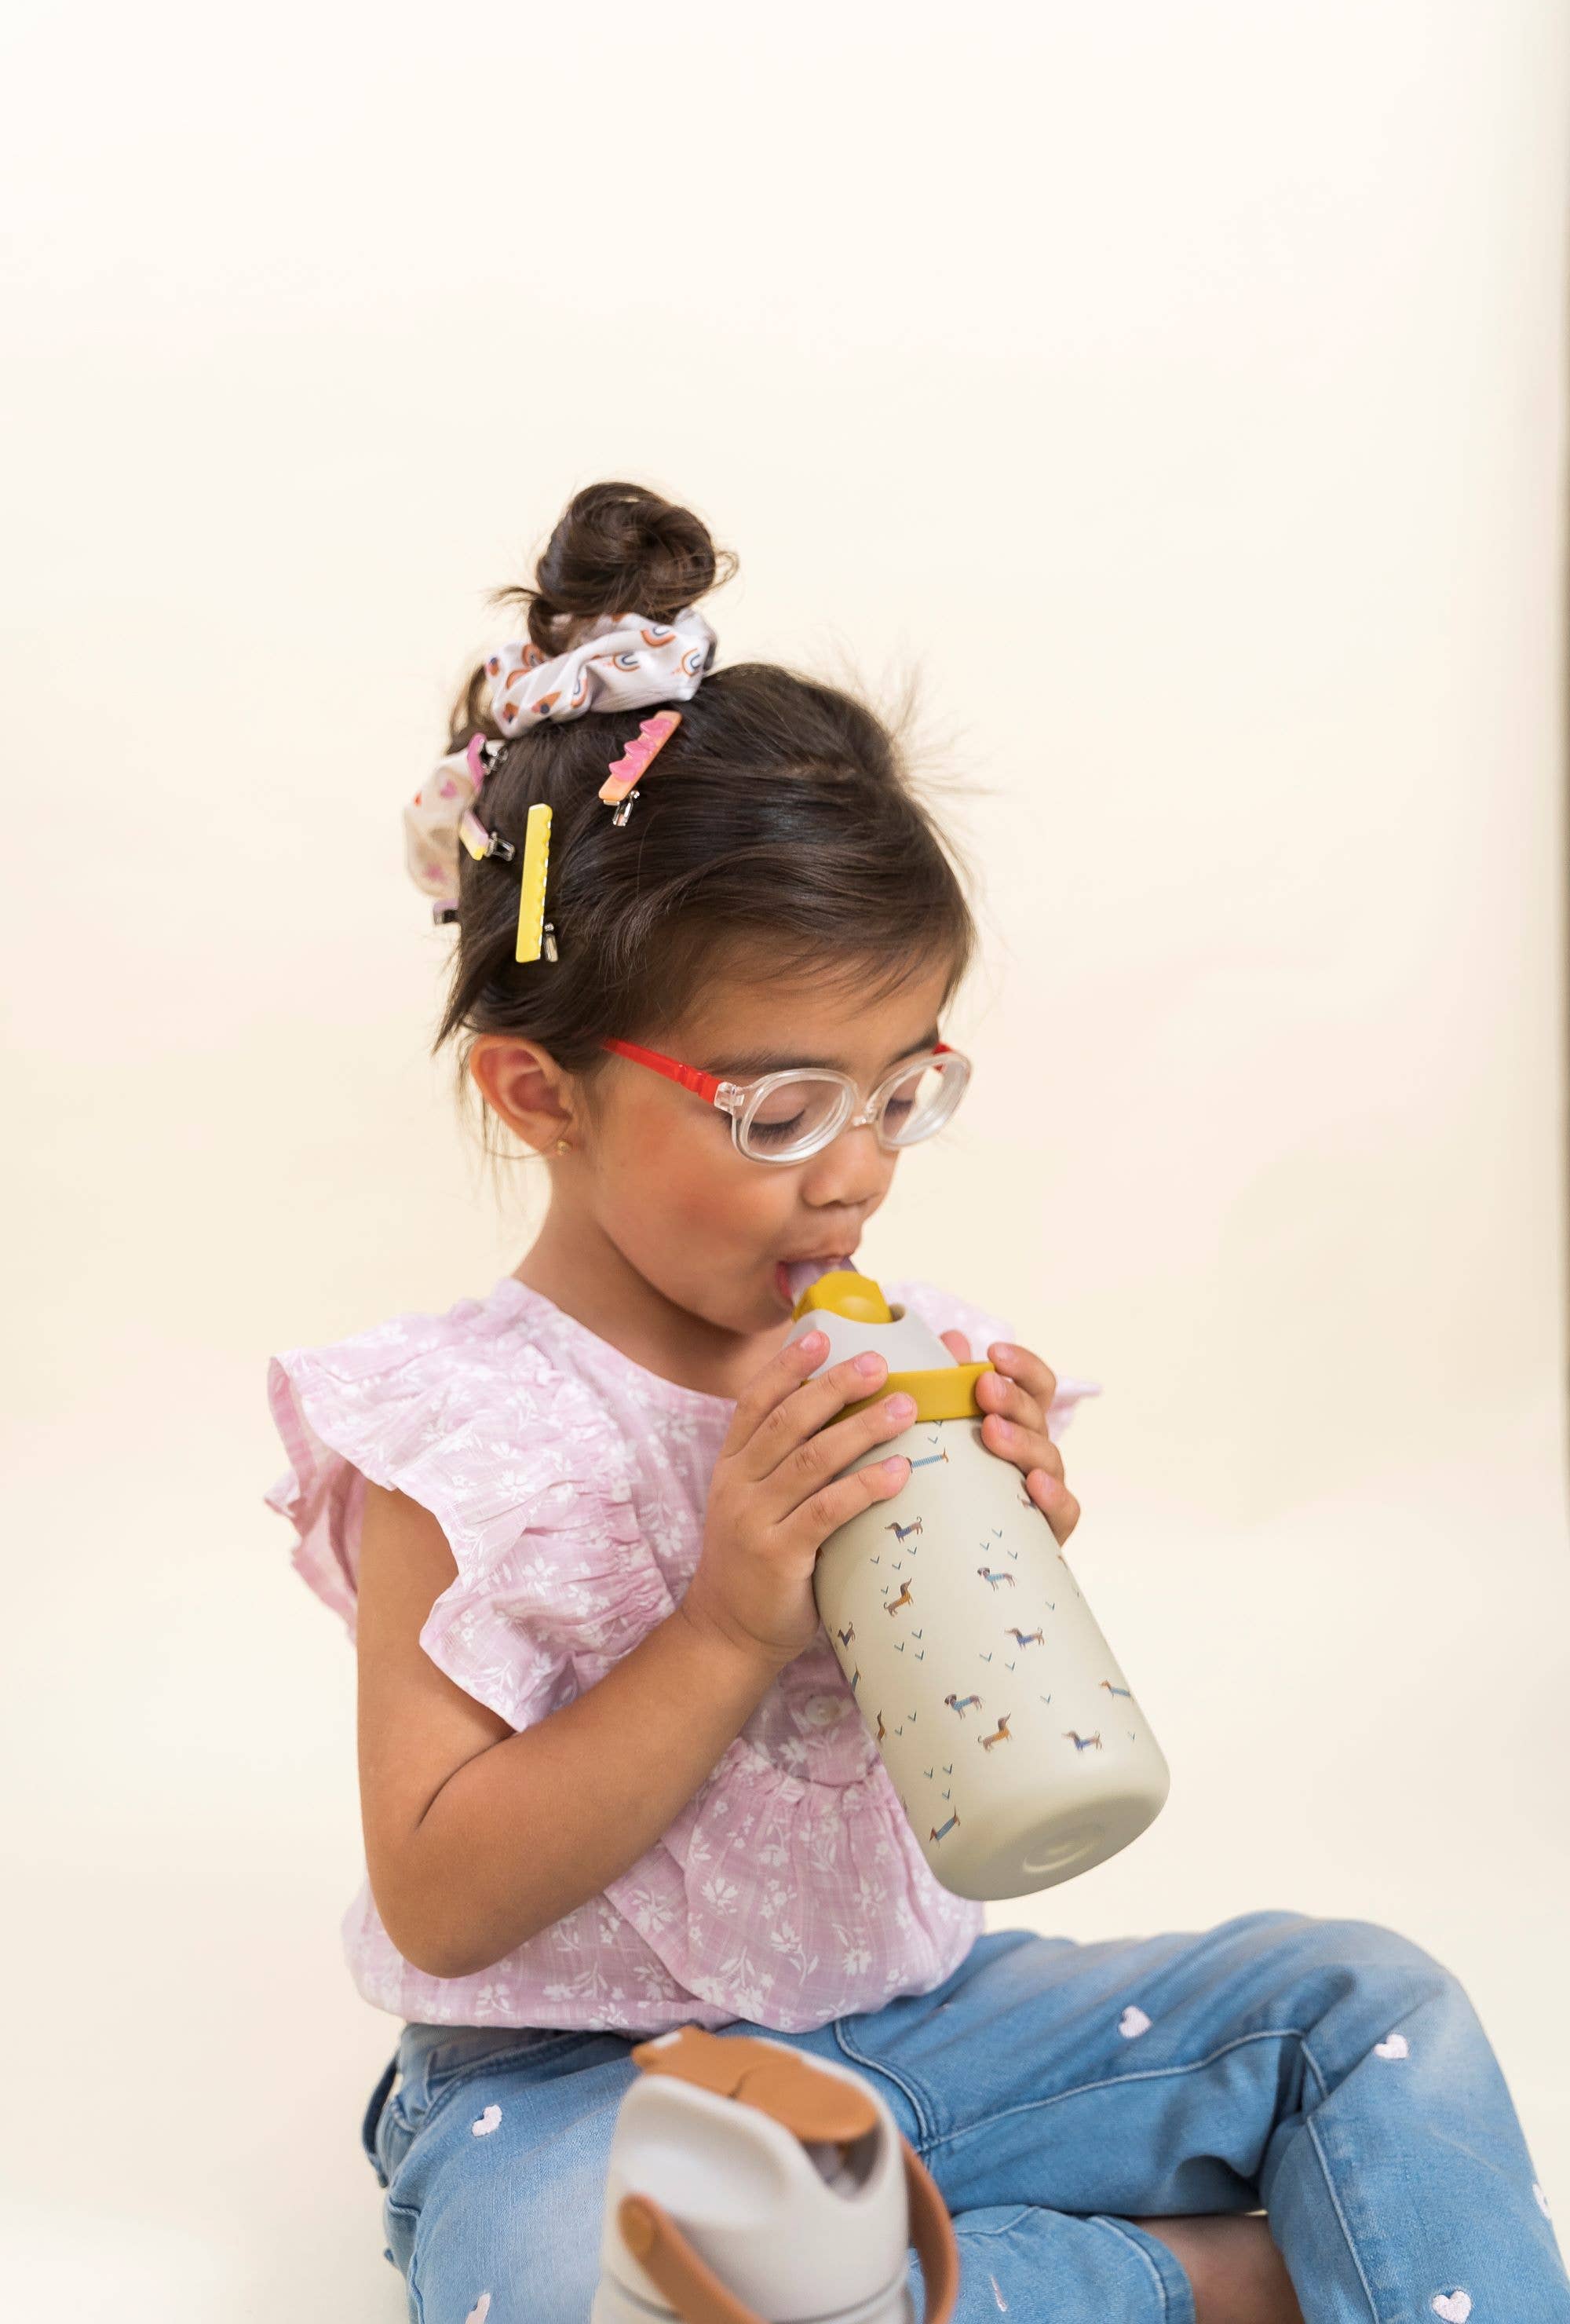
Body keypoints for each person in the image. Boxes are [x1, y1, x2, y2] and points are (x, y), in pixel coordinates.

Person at [265, 481, 1566, 2324]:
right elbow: (442, 1904)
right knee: (603, 2283)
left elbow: (971, 1736)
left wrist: (1004, 1571)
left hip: (932, 2025)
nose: (856, 1173)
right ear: (539, 1098)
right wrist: (725, 1622)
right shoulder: (460, 1440)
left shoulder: (909, 1348)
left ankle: (941, 2277)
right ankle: (1176, 2284)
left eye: (901, 1091)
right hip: (593, 2092)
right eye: (781, 1109)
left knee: (1371, 2006)